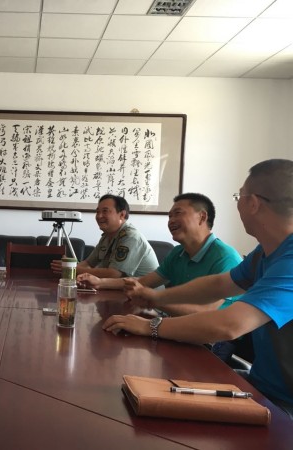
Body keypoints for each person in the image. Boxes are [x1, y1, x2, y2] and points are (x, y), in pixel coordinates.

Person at [103, 159, 293, 417]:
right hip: (260, 385)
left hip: (284, 404)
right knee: (141, 393)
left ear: (253, 203)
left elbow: (229, 325)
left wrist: (150, 326)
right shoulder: (265, 252)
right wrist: (153, 298)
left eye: (239, 196)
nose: (237, 203)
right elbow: (218, 284)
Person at [77, 193, 242, 317]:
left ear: (202, 217)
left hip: (213, 342)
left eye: (178, 213)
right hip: (177, 324)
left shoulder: (225, 258)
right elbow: (142, 282)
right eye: (170, 216)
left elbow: (208, 314)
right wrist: (99, 282)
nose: (171, 220)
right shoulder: (178, 253)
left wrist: (153, 299)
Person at [52, 194, 157, 278]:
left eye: (105, 211)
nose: (99, 216)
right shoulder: (107, 236)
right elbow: (88, 263)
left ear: (122, 215)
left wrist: (72, 269)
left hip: (145, 295)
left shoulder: (130, 237)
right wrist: (68, 266)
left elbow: (114, 274)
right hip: (118, 291)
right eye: (97, 212)